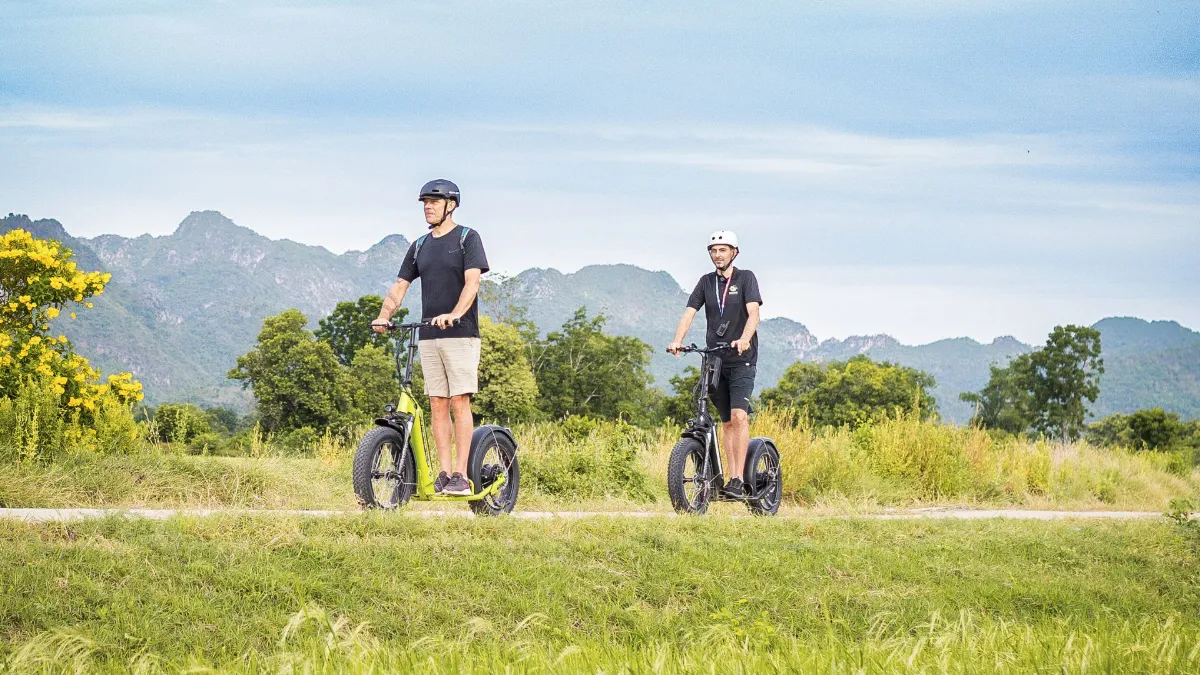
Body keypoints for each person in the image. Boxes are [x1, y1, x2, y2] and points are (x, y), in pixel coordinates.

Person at [372, 179, 489, 496]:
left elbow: (472, 283)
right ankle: (444, 473)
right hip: (428, 335)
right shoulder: (420, 245)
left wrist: (456, 313)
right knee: (437, 403)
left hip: (460, 334)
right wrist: (385, 315)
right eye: (425, 202)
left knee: (459, 400)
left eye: (434, 202)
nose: (428, 207)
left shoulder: (467, 238)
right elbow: (400, 285)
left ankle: (461, 475)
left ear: (451, 205)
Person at [667, 231, 762, 498]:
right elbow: (689, 313)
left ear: (734, 252)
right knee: (726, 421)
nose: (718, 255)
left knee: (739, 416)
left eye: (723, 250)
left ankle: (737, 479)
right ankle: (724, 479)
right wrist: (677, 341)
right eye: (713, 250)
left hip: (741, 359)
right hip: (715, 360)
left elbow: (754, 313)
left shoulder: (746, 278)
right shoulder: (706, 282)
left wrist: (745, 338)